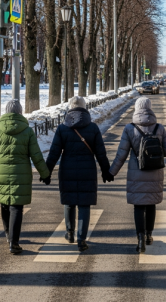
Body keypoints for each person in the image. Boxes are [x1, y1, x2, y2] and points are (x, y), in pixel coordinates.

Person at [0, 99, 50, 255]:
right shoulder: (27, 131)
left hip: (0, 175)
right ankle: (14, 242)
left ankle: (8, 234)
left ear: (6, 112)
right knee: (17, 208)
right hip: (21, 177)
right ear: (20, 112)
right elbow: (36, 156)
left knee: (5, 204)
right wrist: (45, 174)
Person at [45, 96, 113, 252]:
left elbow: (54, 153)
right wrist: (106, 171)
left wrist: (46, 172)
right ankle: (81, 240)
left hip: (67, 169)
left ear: (70, 109)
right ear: (85, 109)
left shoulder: (62, 128)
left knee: (69, 202)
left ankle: (69, 233)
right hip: (87, 170)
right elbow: (100, 153)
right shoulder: (93, 128)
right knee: (84, 204)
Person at [109, 97, 166, 253]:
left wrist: (111, 173)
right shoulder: (159, 128)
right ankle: (149, 235)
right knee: (151, 204)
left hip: (137, 173)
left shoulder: (130, 129)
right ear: (150, 108)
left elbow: (121, 155)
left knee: (139, 206)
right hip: (155, 171)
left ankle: (140, 239)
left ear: (136, 109)